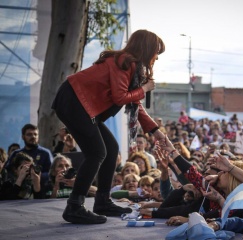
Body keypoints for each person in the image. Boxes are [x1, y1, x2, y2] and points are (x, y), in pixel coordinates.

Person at [51, 29, 166, 224]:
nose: (157, 57)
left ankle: (102, 201)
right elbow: (120, 97)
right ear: (147, 49)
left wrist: (156, 131)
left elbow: (135, 104)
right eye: (156, 52)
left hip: (81, 104)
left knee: (111, 149)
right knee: (97, 153)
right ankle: (74, 206)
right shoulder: (125, 61)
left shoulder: (132, 67)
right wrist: (144, 89)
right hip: (74, 100)